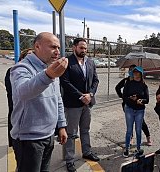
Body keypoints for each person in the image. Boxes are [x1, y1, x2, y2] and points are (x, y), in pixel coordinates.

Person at [10, 32, 68, 172]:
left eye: (58, 48)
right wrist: (48, 75)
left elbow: (57, 98)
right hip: (29, 140)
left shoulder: (51, 67)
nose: (57, 52)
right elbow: (22, 92)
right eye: (53, 47)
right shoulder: (22, 68)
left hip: (48, 136)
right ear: (37, 46)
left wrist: (61, 125)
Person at [60, 38, 99, 172]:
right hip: (72, 104)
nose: (84, 50)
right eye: (81, 48)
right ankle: (69, 160)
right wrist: (81, 96)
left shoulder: (90, 62)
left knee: (85, 129)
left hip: (87, 103)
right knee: (71, 133)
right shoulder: (67, 62)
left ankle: (86, 152)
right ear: (74, 48)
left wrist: (90, 95)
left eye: (85, 48)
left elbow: (95, 80)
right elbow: (65, 82)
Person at [115, 64, 152, 146]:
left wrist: (140, 99)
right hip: (127, 105)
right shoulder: (126, 81)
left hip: (139, 106)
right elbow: (117, 88)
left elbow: (146, 97)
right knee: (130, 122)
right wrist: (122, 97)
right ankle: (130, 138)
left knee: (141, 122)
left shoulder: (141, 82)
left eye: (135, 70)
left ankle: (148, 137)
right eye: (131, 70)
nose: (133, 72)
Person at [5, 48, 33, 147]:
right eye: (29, 55)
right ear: (22, 58)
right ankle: (13, 141)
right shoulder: (13, 70)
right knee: (13, 117)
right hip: (15, 100)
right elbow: (11, 89)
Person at [122, 66, 149, 158]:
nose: (136, 75)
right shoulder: (128, 83)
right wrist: (132, 100)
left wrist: (140, 100)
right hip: (129, 108)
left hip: (140, 110)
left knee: (138, 130)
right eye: (134, 73)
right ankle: (127, 148)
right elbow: (124, 97)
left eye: (138, 73)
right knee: (129, 130)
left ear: (141, 75)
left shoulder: (144, 85)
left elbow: (147, 99)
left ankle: (138, 148)